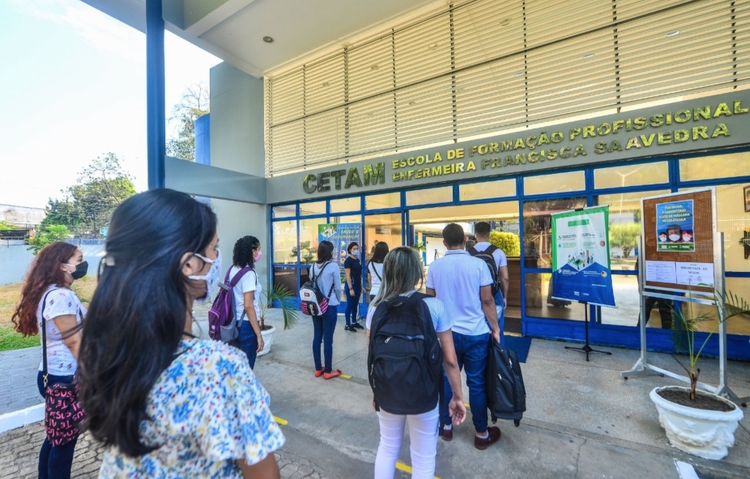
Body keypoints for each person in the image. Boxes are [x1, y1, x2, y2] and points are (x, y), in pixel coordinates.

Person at [77, 189, 284, 478]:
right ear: (189, 265)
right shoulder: (217, 368)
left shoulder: (109, 351)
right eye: (213, 248)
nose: (216, 259)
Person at [366, 247, 466, 479]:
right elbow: (450, 361)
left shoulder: (376, 307)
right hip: (425, 393)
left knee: (387, 448)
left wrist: (375, 391)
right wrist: (457, 397)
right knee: (423, 458)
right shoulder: (435, 306)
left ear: (388, 272)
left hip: (387, 390)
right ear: (416, 273)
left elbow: (373, 354)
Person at [12, 242, 87, 479]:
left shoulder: (50, 292)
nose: (83, 264)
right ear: (63, 265)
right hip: (64, 378)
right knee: (65, 441)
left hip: (52, 374)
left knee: (56, 436)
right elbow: (74, 342)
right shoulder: (61, 295)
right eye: (79, 259)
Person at [426, 223, 501, 450]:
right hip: (476, 333)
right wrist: (495, 329)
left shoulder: (435, 267)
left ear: (445, 243)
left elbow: (430, 301)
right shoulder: (478, 265)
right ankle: (481, 433)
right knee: (477, 383)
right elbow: (487, 301)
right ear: (466, 241)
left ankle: (446, 427)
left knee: (448, 379)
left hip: (446, 334)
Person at [471, 222, 509, 346]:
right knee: (497, 328)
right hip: (494, 294)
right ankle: (499, 356)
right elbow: (505, 277)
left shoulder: (468, 253)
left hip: (474, 295)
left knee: (476, 328)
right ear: (490, 235)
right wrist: (504, 296)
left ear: (475, 235)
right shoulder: (498, 252)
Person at [229, 235, 264, 369]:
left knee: (236, 367)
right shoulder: (249, 273)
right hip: (245, 325)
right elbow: (248, 306)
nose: (259, 253)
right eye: (258, 249)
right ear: (252, 251)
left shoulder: (233, 269)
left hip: (232, 323)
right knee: (246, 369)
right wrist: (259, 334)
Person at [311, 240, 344, 379]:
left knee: (317, 336)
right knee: (328, 339)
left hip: (316, 306)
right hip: (329, 306)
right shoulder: (333, 266)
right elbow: (337, 288)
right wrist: (337, 299)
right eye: (332, 250)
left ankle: (318, 368)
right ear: (330, 252)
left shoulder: (313, 266)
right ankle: (328, 371)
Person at [344, 241, 364, 331]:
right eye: (354, 249)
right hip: (351, 286)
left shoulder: (358, 260)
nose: (356, 250)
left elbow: (358, 275)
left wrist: (361, 286)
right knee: (350, 305)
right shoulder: (348, 261)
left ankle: (354, 322)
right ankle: (347, 324)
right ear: (350, 250)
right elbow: (348, 275)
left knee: (355, 304)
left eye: (357, 248)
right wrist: (350, 288)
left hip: (358, 286)